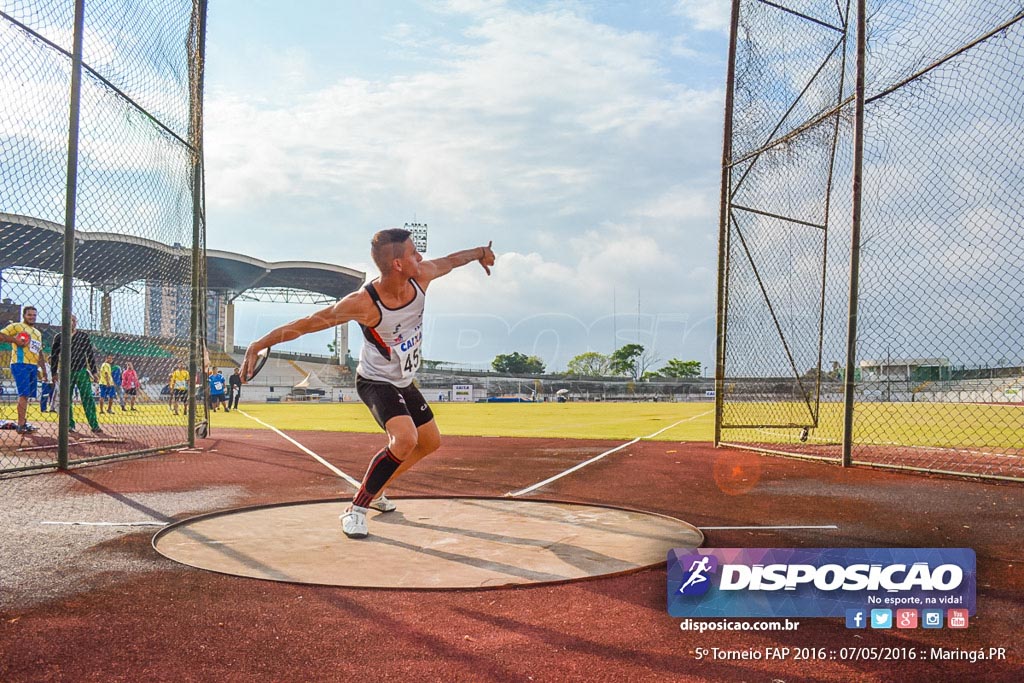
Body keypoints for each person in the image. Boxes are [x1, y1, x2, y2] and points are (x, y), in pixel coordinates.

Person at [242, 228, 495, 539]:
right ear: (399, 264)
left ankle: (376, 491)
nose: (421, 257)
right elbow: (307, 324)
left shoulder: (421, 277)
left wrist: (481, 252)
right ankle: (355, 509)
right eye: (414, 252)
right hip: (375, 381)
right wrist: (259, 343)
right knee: (404, 440)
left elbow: (454, 260)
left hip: (403, 379)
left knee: (430, 442)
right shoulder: (364, 303)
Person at [50, 314, 102, 434]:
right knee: (66, 400)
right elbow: (54, 356)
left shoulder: (83, 336)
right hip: (65, 372)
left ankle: (94, 425)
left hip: (81, 370)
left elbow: (89, 354)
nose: (71, 323)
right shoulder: (59, 337)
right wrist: (54, 372)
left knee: (88, 397)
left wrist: (94, 371)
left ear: (76, 322)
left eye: (73, 321)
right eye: (69, 320)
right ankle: (69, 425)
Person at [0, 305, 45, 434]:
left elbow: (39, 351)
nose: (32, 317)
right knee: (23, 394)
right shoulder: (17, 326)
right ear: (24, 315)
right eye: (29, 315)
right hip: (20, 363)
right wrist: (15, 340)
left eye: (34, 315)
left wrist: (43, 368)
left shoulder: (37, 333)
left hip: (32, 365)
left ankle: (23, 421)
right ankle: (20, 424)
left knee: (28, 395)